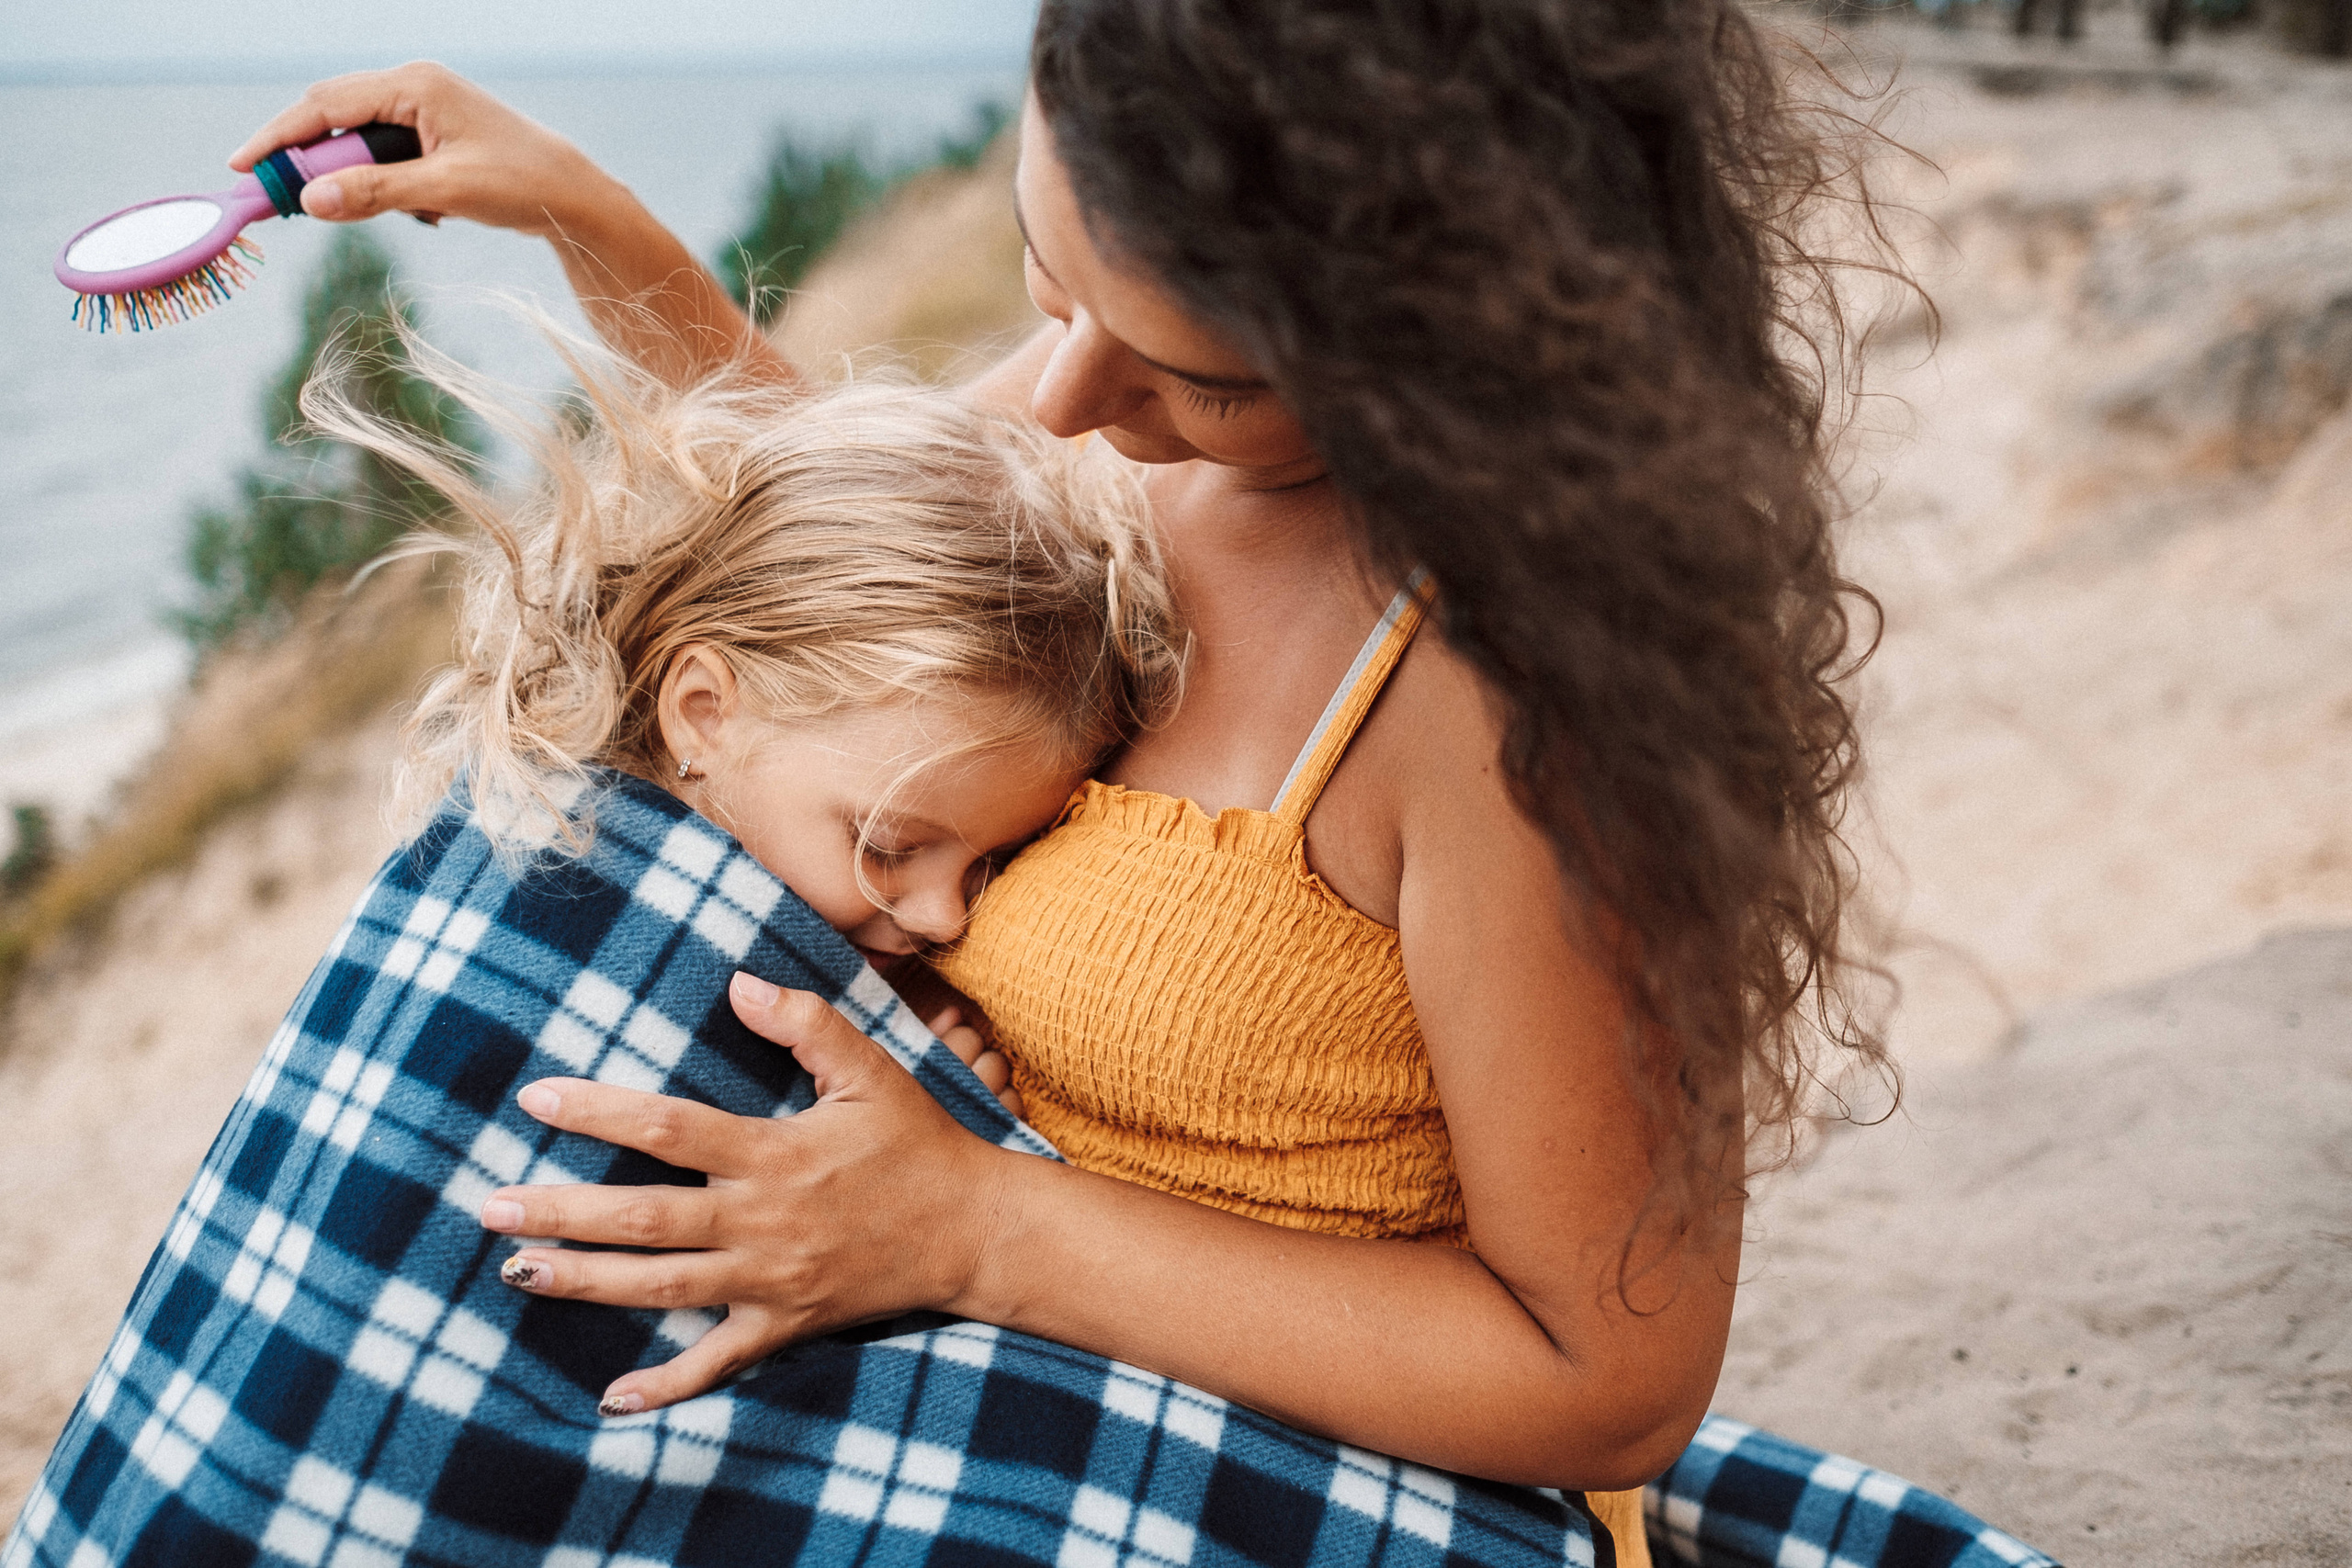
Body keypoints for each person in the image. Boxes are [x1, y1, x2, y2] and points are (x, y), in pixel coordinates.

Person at [123, 4, 2057, 1563]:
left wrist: (975, 1227)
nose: (1060, 406)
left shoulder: (1508, 700)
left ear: (1439, 345)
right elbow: (856, 594)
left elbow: (1605, 1379)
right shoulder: (1122, 426)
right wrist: (588, 217)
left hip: (1271, 1451)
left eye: (1196, 374)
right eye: (1051, 281)